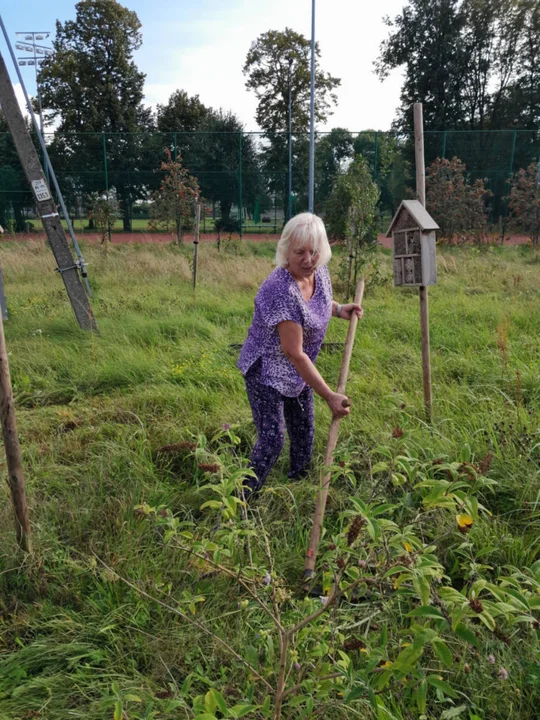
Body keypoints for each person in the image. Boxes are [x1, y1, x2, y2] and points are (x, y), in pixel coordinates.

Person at [237, 212, 363, 497]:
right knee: (273, 439)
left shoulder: (318, 271)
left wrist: (339, 309)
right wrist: (330, 396)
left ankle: (298, 484)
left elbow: (316, 301)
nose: (308, 259)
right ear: (286, 252)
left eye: (314, 251)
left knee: (304, 429)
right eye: (300, 252)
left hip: (297, 369)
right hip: (266, 371)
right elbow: (294, 353)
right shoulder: (279, 290)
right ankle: (242, 499)